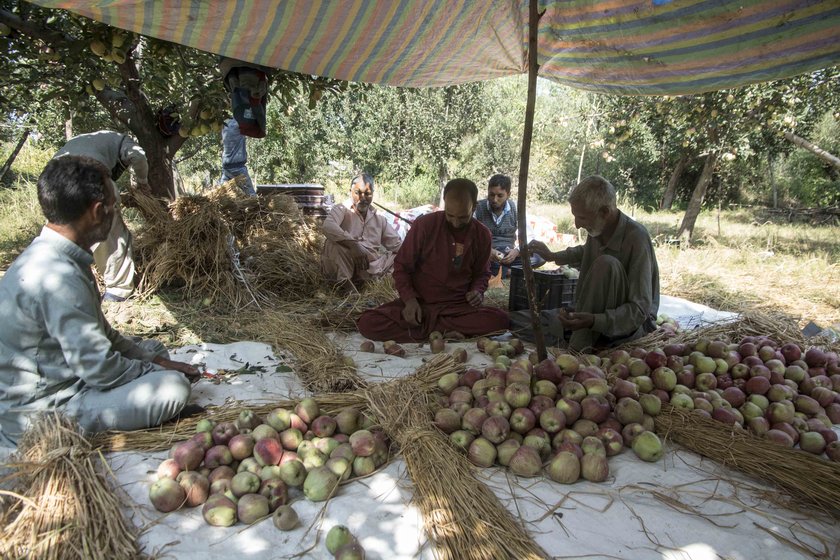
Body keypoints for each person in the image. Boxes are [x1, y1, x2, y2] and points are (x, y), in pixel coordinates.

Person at [0, 156, 199, 447]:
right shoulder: (60, 279)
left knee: (154, 349)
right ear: (97, 211)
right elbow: (100, 369)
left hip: (60, 376)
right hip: (44, 412)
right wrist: (156, 371)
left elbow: (102, 335)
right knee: (173, 388)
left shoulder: (55, 256)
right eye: (113, 206)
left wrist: (152, 360)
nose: (115, 213)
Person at [357, 178, 510, 342]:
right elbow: (402, 267)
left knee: (501, 320)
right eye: (450, 215)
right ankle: (446, 330)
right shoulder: (424, 225)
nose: (456, 223)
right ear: (444, 203)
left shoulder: (482, 234)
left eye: (463, 217)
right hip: (421, 305)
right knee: (368, 323)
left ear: (474, 207)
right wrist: (409, 300)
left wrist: (477, 291)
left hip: (458, 308)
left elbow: (482, 273)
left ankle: (432, 330)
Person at [527, 175, 660, 352]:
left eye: (581, 218)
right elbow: (585, 251)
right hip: (590, 314)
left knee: (606, 264)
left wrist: (594, 320)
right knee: (525, 321)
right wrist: (553, 256)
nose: (576, 225)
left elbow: (639, 311)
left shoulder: (637, 238)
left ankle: (580, 346)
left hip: (626, 327)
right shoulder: (598, 227)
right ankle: (579, 335)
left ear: (605, 212)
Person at [53, 130, 148, 302]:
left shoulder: (83, 139)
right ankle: (118, 291)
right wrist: (142, 182)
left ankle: (60, 284)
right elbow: (138, 156)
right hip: (89, 177)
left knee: (64, 234)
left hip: (55, 181)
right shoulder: (122, 140)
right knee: (113, 235)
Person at [321, 174, 402, 292]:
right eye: (357, 193)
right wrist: (353, 245)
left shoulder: (379, 218)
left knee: (402, 257)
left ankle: (374, 285)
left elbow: (397, 245)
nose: (362, 198)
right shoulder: (342, 209)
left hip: (369, 268)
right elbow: (328, 226)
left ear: (373, 194)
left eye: (368, 194)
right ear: (350, 192)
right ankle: (348, 290)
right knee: (333, 243)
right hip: (345, 266)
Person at [473, 174, 544, 278]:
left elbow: (528, 236)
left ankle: (501, 271)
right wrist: (489, 251)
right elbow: (471, 236)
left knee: (540, 256)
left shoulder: (516, 209)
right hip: (487, 254)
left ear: (508, 194)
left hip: (508, 254)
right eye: (491, 195)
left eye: (500, 196)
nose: (494, 199)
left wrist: (516, 251)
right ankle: (510, 272)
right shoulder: (478, 208)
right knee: (474, 258)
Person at [221, 118, 256, 196]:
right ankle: (258, 206)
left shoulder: (225, 124)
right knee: (251, 196)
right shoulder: (239, 124)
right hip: (238, 167)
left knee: (220, 193)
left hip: (226, 167)